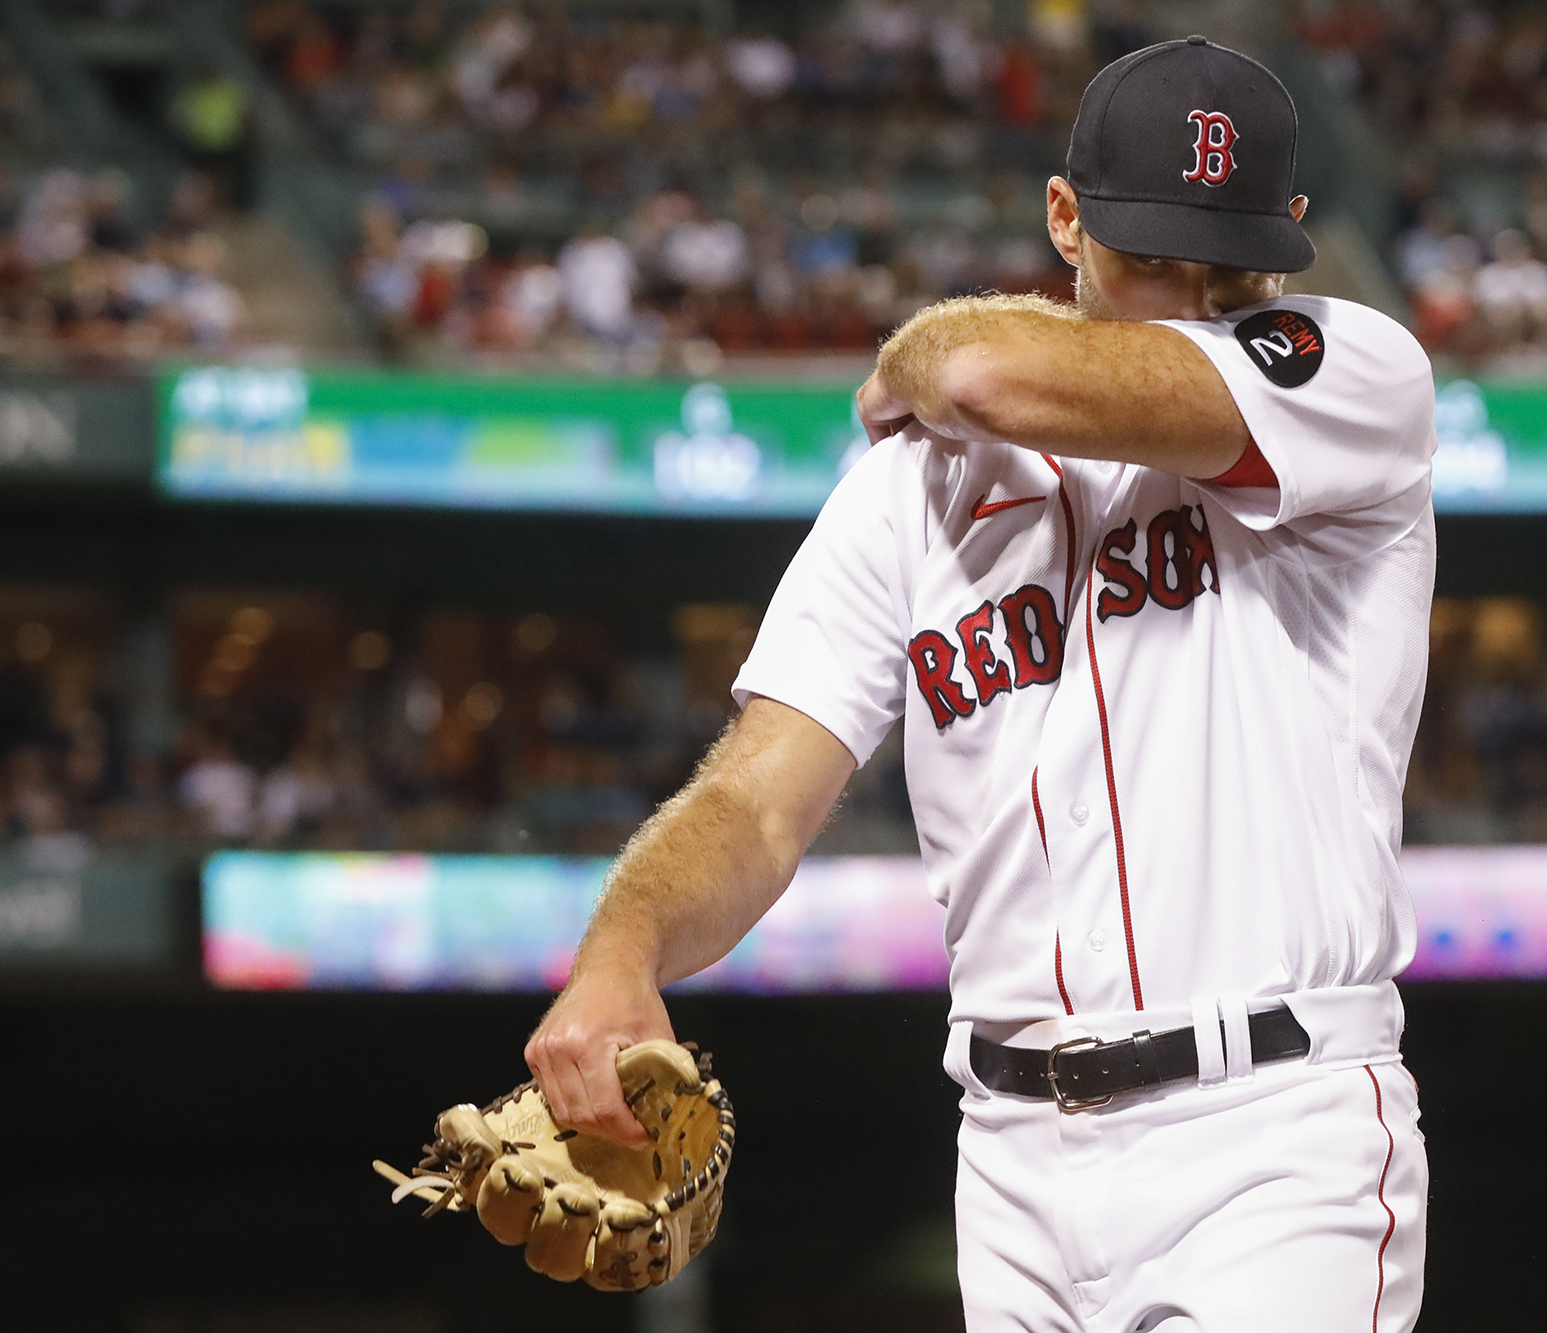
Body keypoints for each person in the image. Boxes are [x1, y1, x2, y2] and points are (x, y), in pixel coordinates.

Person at [527, 36, 1436, 1331]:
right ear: (1064, 218)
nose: (1187, 291)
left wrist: (916, 353)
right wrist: (622, 951)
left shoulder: (1357, 375)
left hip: (1274, 1132)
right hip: (1013, 1155)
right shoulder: (909, 493)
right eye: (1149, 251)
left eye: (1225, 263)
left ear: (1289, 233)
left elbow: (982, 373)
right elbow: (758, 800)